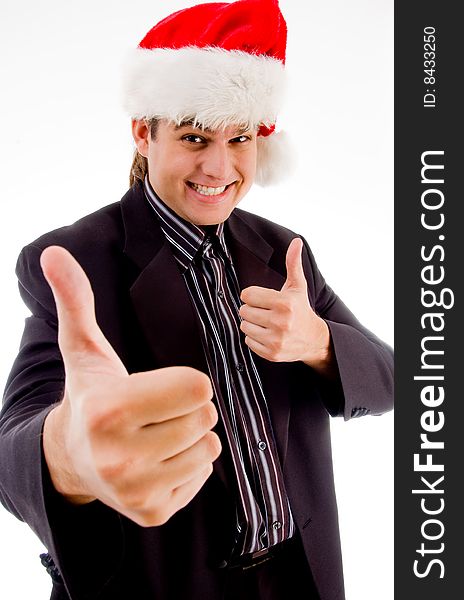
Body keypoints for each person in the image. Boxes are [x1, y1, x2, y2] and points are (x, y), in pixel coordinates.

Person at [0, 1, 393, 599]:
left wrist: (319, 343)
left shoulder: (283, 250)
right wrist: (70, 454)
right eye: (193, 136)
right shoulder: (74, 260)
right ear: (143, 131)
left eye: (239, 138)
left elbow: (394, 379)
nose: (219, 166)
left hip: (298, 575)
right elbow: (11, 452)